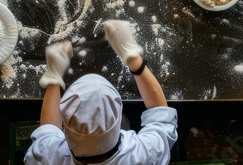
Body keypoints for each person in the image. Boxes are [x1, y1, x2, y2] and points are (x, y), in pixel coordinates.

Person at [24, 20, 177, 164]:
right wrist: (134, 60)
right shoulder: (144, 155)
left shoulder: (47, 158)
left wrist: (54, 76)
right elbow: (161, 117)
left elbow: (48, 132)